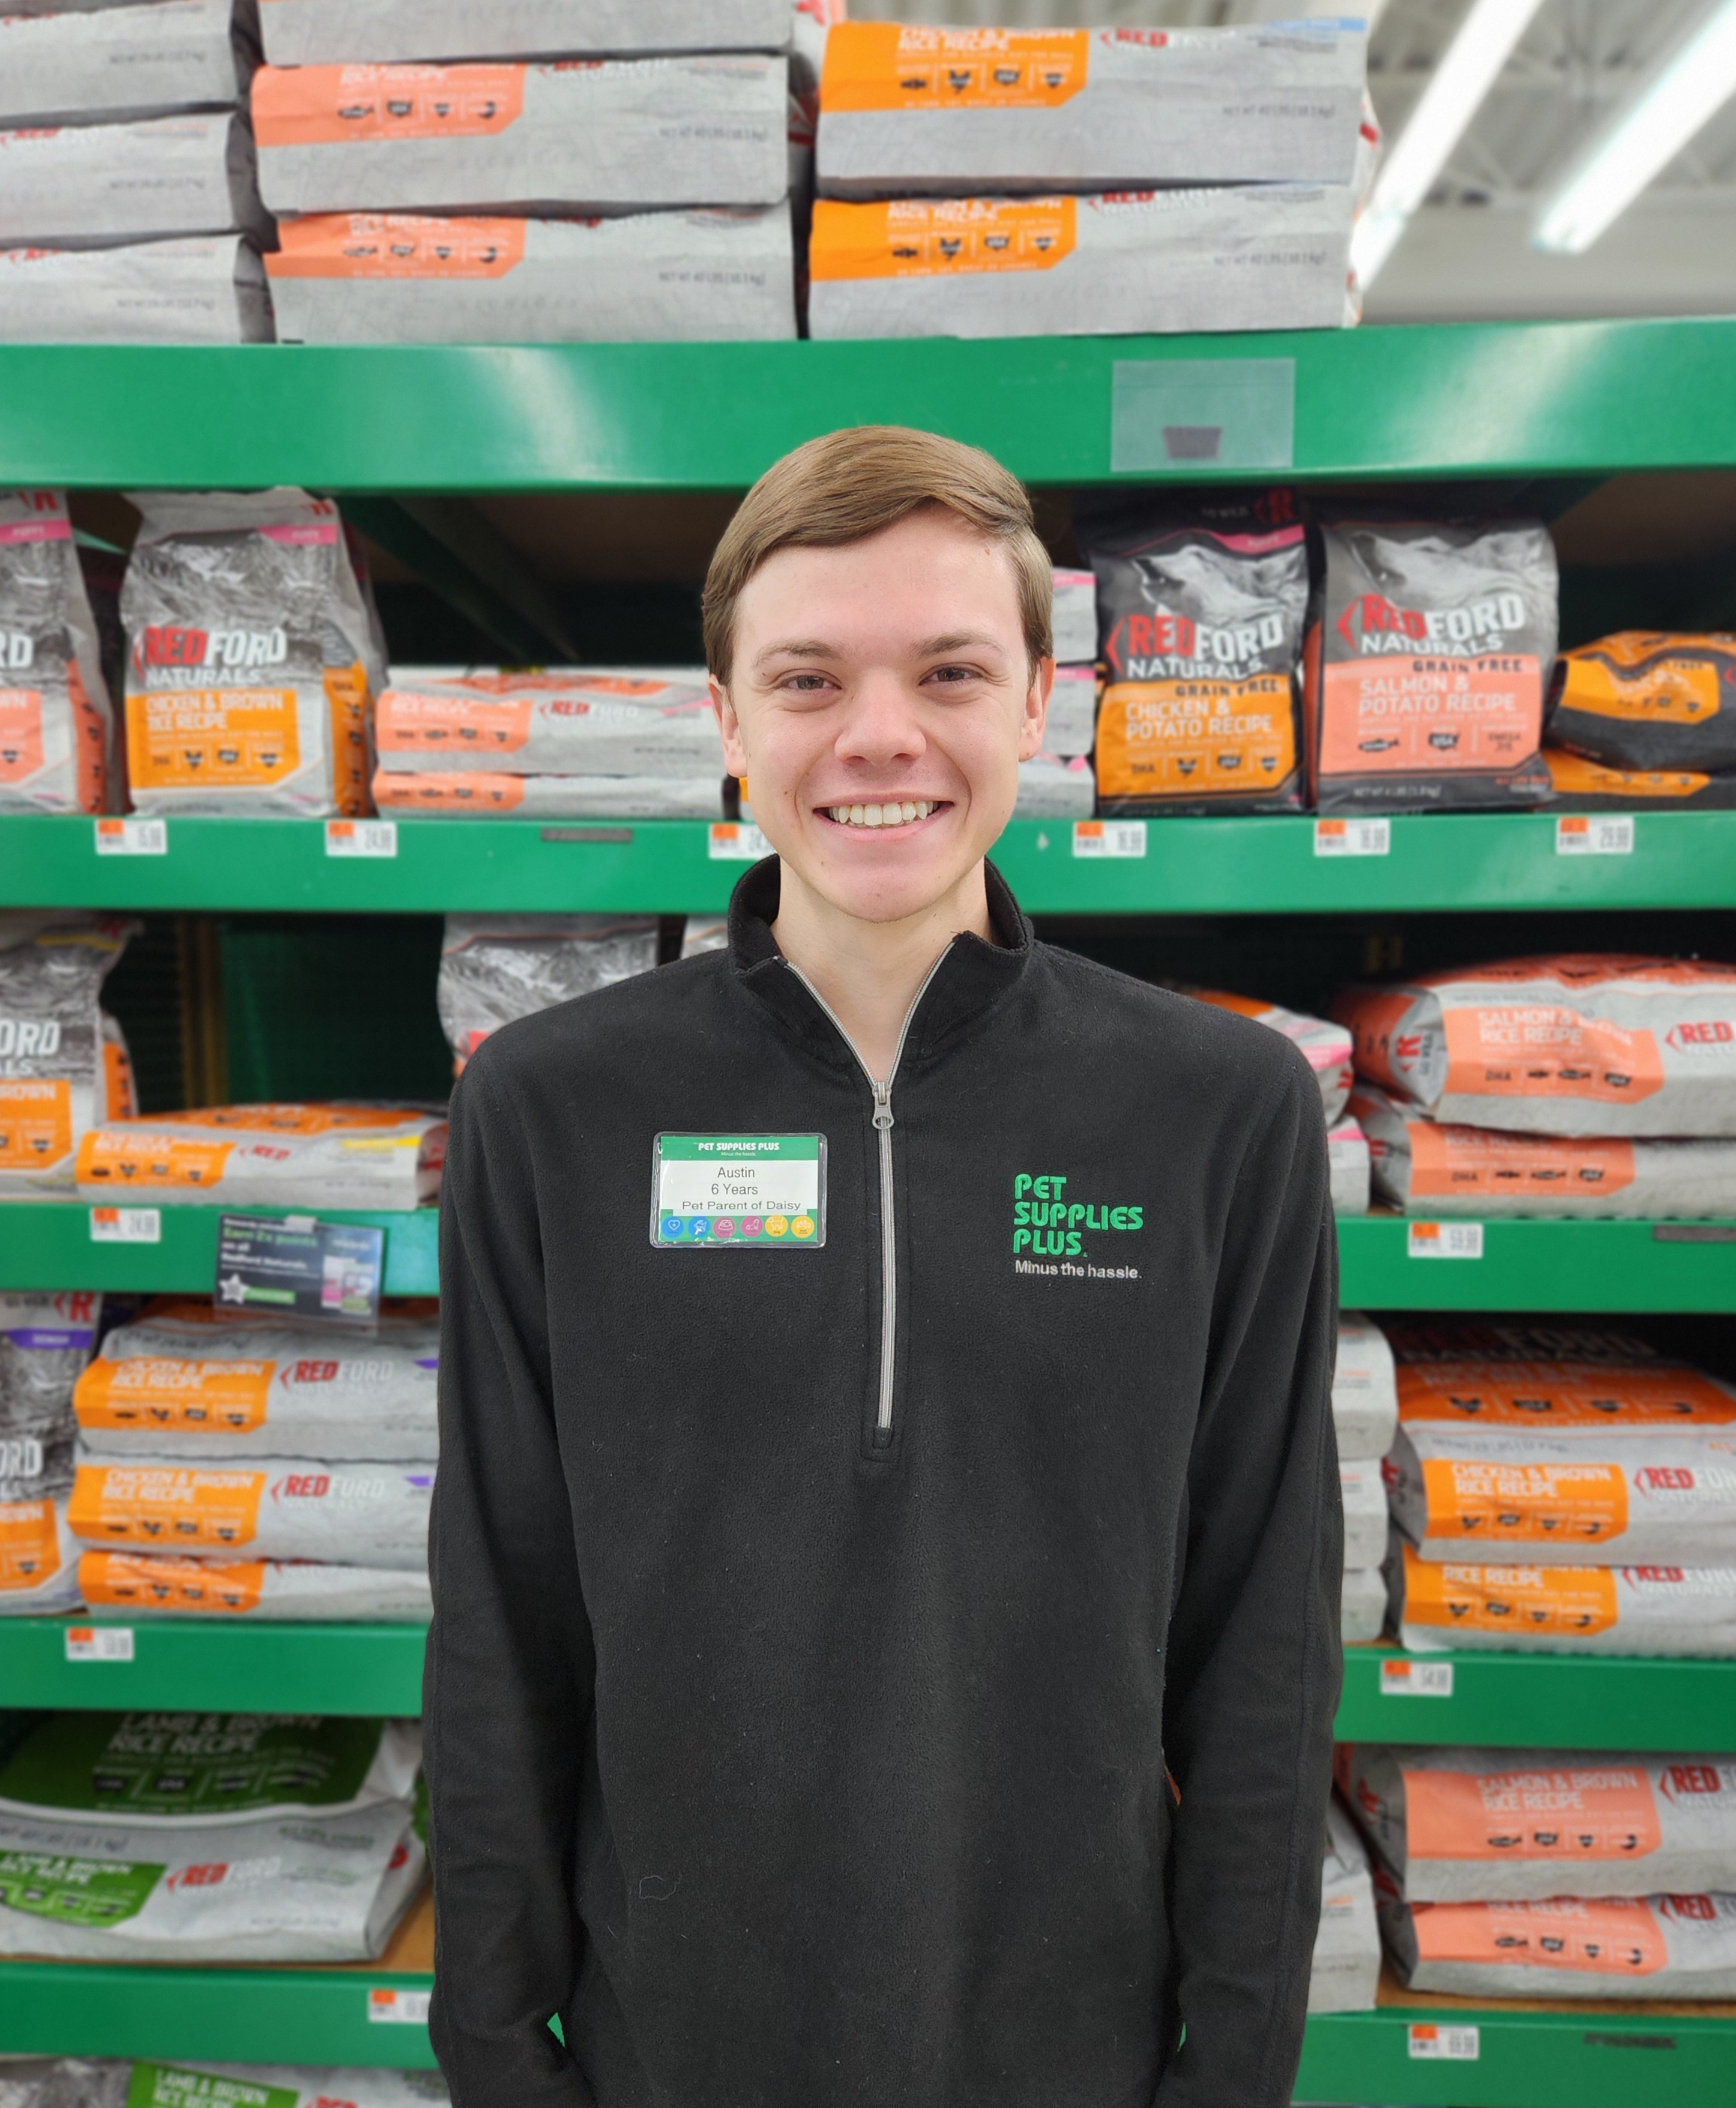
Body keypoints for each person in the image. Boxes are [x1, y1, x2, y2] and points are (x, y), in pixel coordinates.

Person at [426, 425, 1342, 2108]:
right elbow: (502, 1609)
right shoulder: (549, 1109)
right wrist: (495, 2049)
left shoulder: (1220, 1113)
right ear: (726, 719)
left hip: (1073, 2051)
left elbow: (1264, 1644)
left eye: (948, 671)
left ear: (1039, 701)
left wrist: (1234, 2066)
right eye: (806, 679)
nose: (879, 736)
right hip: (670, 2051)